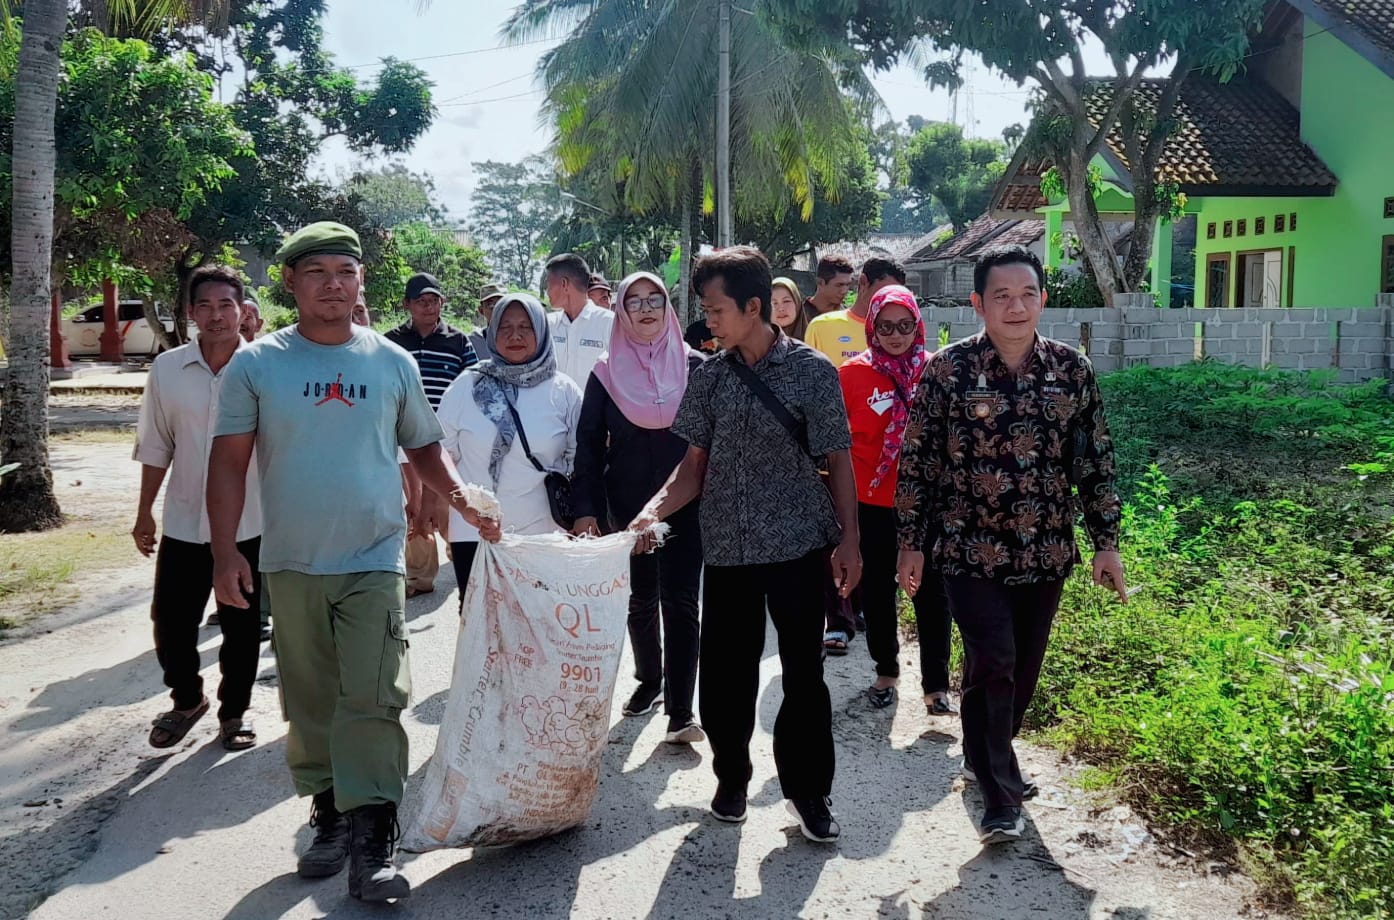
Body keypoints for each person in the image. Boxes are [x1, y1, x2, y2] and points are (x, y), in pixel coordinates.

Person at [207, 221, 503, 902]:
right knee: (310, 698)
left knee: (373, 694)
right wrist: (225, 553)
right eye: (317, 272)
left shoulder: (390, 362)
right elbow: (227, 466)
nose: (333, 284)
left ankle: (374, 840)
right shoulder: (258, 364)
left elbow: (424, 448)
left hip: (374, 555)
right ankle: (329, 812)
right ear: (290, 283)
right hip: (291, 559)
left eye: (346, 271)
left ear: (362, 281)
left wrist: (462, 502)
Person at [895, 244, 1127, 845]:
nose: (1016, 306)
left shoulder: (1072, 371)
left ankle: (985, 751)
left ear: (1043, 299)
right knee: (992, 659)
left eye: (1027, 294)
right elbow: (917, 462)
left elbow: (1094, 460)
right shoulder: (946, 371)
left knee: (1020, 668)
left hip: (1046, 548)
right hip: (967, 550)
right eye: (1001, 295)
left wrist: (1107, 543)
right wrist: (910, 542)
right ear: (978, 303)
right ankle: (999, 795)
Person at [629, 246, 862, 844]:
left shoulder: (813, 372)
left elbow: (839, 461)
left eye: (716, 308)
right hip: (728, 551)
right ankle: (732, 778)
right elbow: (692, 469)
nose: (708, 319)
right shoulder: (709, 378)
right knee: (727, 676)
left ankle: (809, 793)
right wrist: (649, 514)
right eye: (704, 309)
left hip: (799, 547)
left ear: (755, 307)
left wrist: (849, 541)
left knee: (804, 676)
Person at [572, 272, 705, 746]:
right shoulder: (605, 373)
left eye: (655, 300)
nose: (646, 309)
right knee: (640, 598)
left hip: (687, 504)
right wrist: (585, 510)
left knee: (683, 600)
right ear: (621, 313)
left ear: (667, 308)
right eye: (635, 303)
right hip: (624, 506)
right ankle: (650, 680)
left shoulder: (697, 367)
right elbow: (587, 446)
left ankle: (681, 710)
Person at [133, 265, 263, 753]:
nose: (216, 316)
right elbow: (155, 445)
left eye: (225, 305)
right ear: (189, 313)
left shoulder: (263, 369)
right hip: (185, 520)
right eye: (204, 306)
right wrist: (144, 511)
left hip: (251, 522)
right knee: (170, 622)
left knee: (242, 625)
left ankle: (234, 713)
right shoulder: (167, 370)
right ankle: (187, 700)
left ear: (242, 310)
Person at [836, 284, 953, 713]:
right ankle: (886, 671)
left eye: (905, 325)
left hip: (927, 504)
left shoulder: (937, 371)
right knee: (880, 592)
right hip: (872, 503)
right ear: (872, 327)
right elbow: (840, 444)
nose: (896, 335)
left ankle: (936, 687)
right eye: (885, 326)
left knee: (932, 592)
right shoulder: (851, 375)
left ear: (918, 324)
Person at [436, 292, 582, 598]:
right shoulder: (467, 386)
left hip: (543, 534)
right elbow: (440, 451)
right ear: (491, 332)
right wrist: (441, 506)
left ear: (541, 331)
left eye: (525, 327)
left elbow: (579, 456)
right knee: (482, 627)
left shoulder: (563, 391)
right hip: (475, 532)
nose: (515, 335)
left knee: (540, 625)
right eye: (505, 327)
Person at [386, 272, 478, 598]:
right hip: (402, 435)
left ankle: (462, 555)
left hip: (445, 437)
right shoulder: (391, 341)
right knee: (413, 505)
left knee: (444, 504)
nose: (429, 307)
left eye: (434, 301)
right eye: (421, 301)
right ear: (407, 304)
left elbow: (472, 385)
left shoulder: (458, 340)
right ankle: (419, 579)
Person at [806, 257, 907, 369]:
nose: (889, 298)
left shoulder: (901, 334)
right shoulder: (821, 327)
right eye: (884, 291)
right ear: (863, 282)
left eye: (896, 294)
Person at [543, 252, 614, 385]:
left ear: (564, 284)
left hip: (594, 406)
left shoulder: (609, 323)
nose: (547, 291)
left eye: (549, 284)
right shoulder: (547, 325)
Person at [803, 255, 854, 321]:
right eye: (839, 285)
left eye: (848, 284)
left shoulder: (847, 316)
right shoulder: (799, 317)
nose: (844, 291)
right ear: (821, 282)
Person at [469, 281, 506, 357]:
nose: (496, 309)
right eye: (490, 305)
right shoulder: (472, 342)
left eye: (501, 304)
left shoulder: (520, 340)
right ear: (481, 310)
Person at [771, 276, 808, 341]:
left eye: (786, 301)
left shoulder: (814, 339)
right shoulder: (757, 344)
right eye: (774, 303)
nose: (781, 308)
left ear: (797, 303)